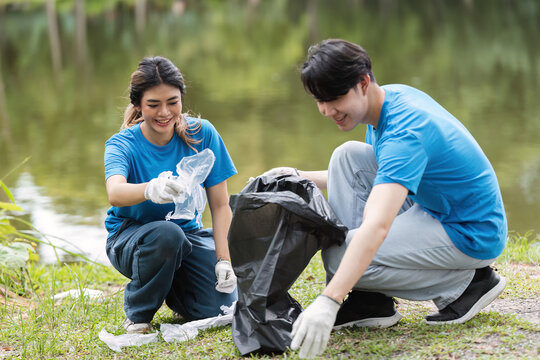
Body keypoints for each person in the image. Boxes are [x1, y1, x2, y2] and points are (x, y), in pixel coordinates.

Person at [263, 39, 507, 358]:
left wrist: (329, 299)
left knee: (339, 259)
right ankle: (370, 300)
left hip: (470, 232)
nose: (326, 110)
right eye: (319, 100)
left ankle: (467, 285)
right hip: (436, 206)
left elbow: (377, 226)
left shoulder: (405, 131)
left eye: (334, 98)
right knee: (347, 157)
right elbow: (386, 175)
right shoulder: (386, 100)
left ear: (363, 83)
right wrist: (296, 175)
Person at [104, 56, 237, 334]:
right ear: (138, 105)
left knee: (221, 308)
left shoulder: (203, 134)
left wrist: (224, 260)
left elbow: (221, 204)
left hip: (188, 238)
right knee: (167, 235)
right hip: (133, 239)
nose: (164, 112)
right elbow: (115, 192)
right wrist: (149, 189)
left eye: (172, 102)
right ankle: (138, 314)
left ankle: (171, 285)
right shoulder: (122, 144)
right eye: (153, 104)